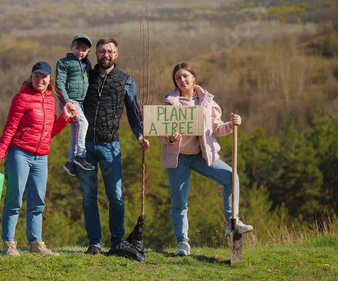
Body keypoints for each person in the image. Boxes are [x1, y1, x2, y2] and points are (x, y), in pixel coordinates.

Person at [157, 62, 253, 256]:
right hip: (178, 158)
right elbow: (161, 134)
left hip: (203, 155)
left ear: (193, 77)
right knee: (179, 203)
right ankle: (183, 243)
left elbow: (216, 128)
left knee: (231, 177)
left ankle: (231, 222)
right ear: (174, 81)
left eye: (185, 76)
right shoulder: (168, 103)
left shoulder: (207, 101)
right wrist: (170, 138)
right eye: (178, 77)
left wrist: (232, 125)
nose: (182, 80)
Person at [0, 61, 78, 257]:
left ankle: (36, 243)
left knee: (38, 201)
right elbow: (10, 129)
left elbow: (49, 132)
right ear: (31, 78)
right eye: (36, 76)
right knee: (14, 200)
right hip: (19, 153)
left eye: (43, 77)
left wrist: (64, 118)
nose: (40, 80)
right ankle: (9, 244)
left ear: (50, 80)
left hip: (41, 157)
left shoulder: (50, 100)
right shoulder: (21, 98)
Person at [78, 38, 150, 255]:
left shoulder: (126, 81)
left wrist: (140, 135)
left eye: (109, 51)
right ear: (95, 54)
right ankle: (94, 244)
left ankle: (117, 242)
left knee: (116, 197)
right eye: (101, 51)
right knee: (89, 197)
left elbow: (134, 112)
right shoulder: (85, 77)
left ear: (116, 55)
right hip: (84, 147)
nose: (105, 55)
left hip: (110, 146)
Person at [55, 34, 95, 177]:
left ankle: (70, 161)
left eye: (83, 50)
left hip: (81, 102)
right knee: (83, 124)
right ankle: (80, 155)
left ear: (88, 52)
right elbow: (59, 83)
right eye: (77, 48)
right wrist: (67, 102)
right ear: (71, 47)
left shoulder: (87, 64)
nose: (80, 52)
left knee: (76, 132)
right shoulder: (64, 63)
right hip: (70, 101)